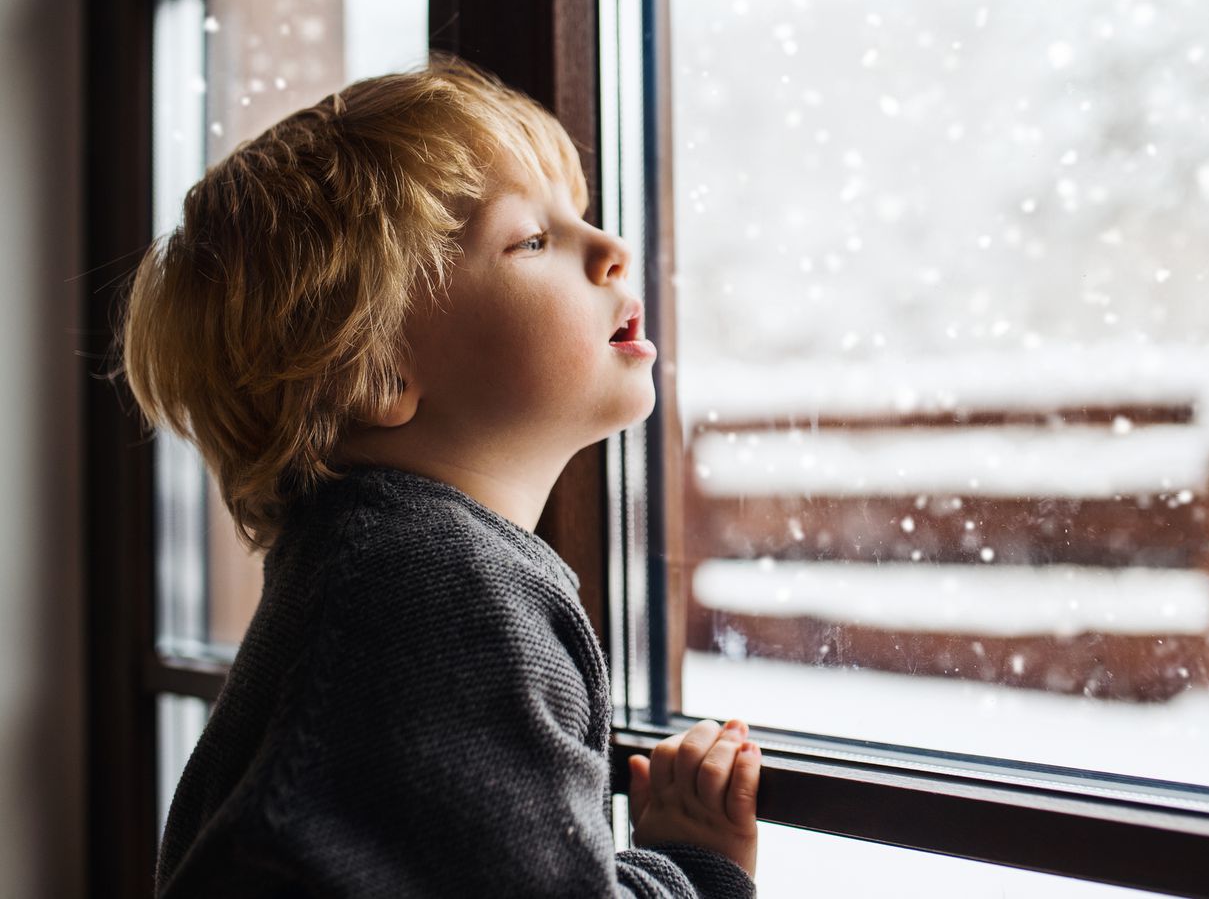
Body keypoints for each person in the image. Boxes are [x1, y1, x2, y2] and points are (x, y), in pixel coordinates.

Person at [116, 50, 761, 897]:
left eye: (580, 214)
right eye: (532, 239)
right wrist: (692, 868)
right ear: (380, 372)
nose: (611, 248)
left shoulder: (360, 567)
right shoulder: (443, 591)